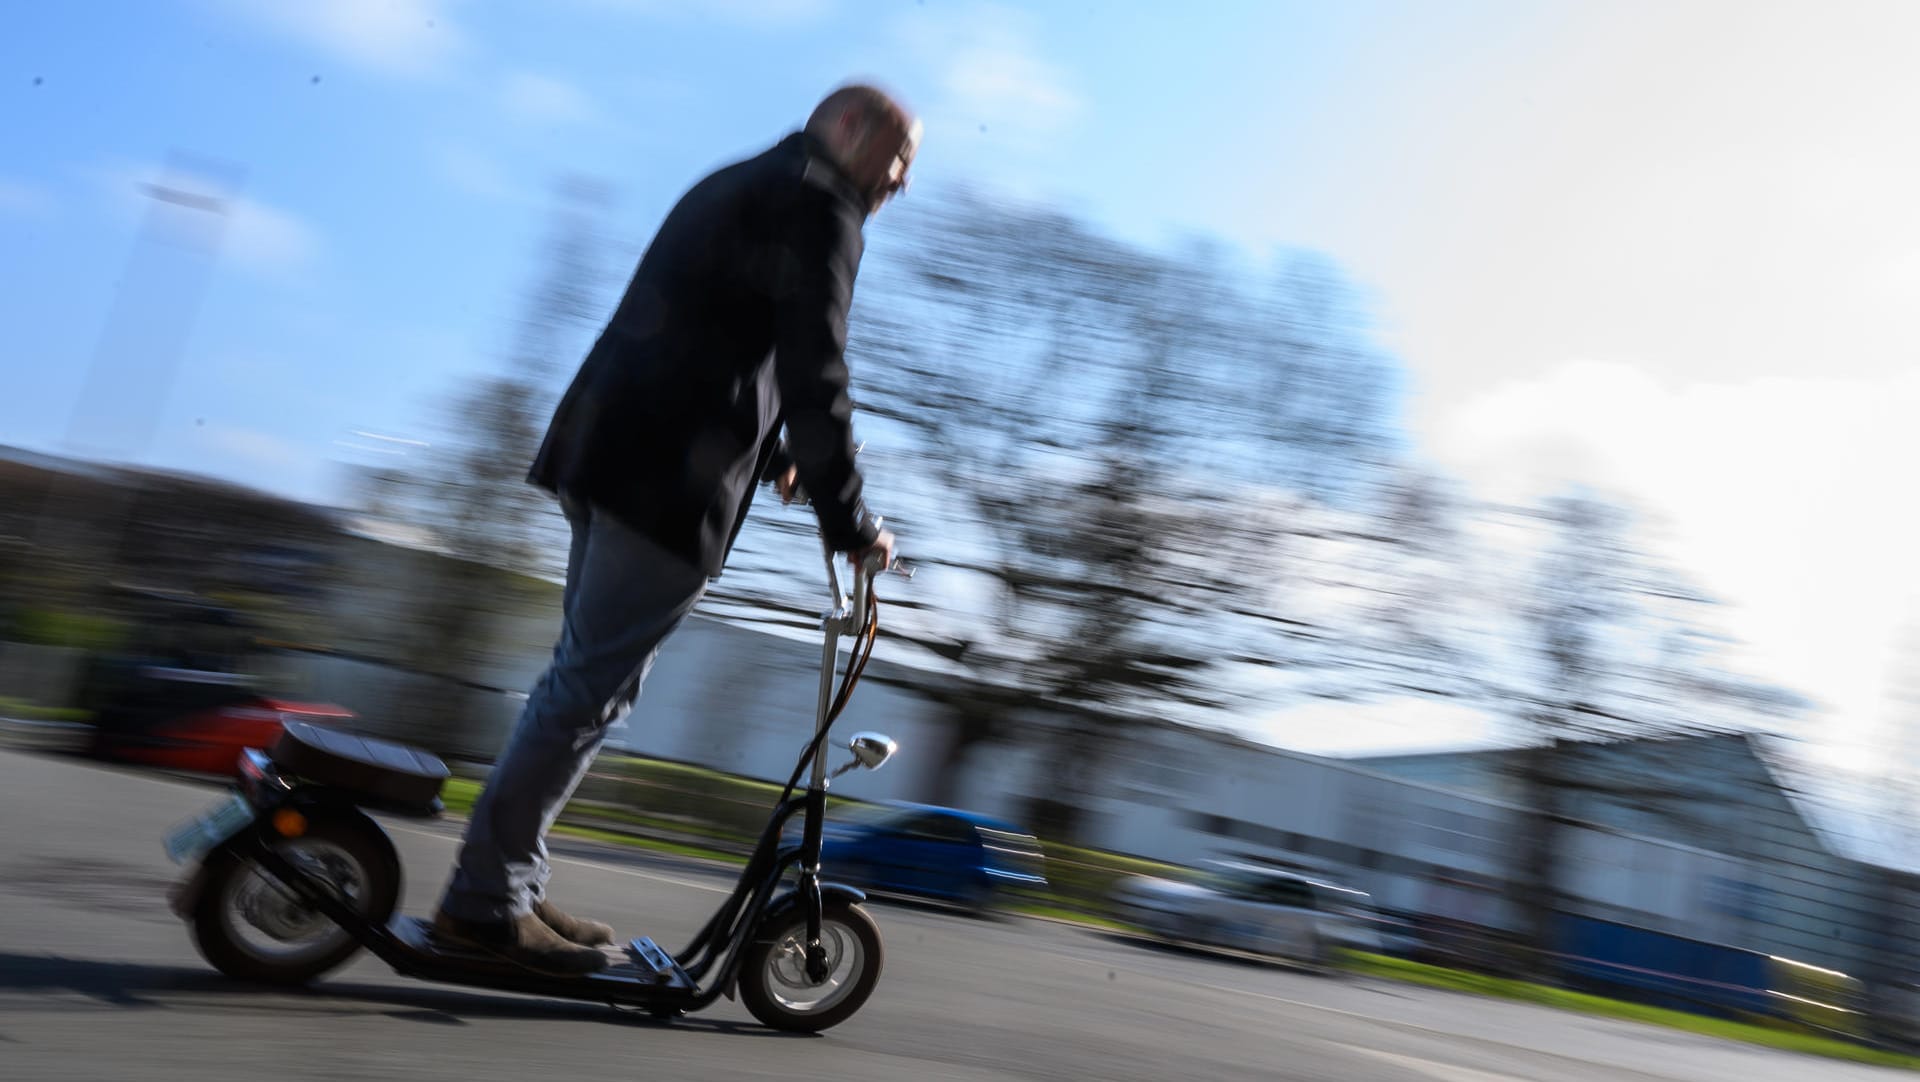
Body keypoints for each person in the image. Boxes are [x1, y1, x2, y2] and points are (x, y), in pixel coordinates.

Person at [431, 84, 919, 975]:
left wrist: (774, 450)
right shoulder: (824, 209)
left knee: (581, 687)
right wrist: (853, 523)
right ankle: (485, 905)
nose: (899, 181)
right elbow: (819, 370)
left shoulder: (745, 180)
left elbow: (712, 332)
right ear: (847, 128)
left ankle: (509, 883)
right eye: (898, 157)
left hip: (606, 451)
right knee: (585, 693)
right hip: (665, 486)